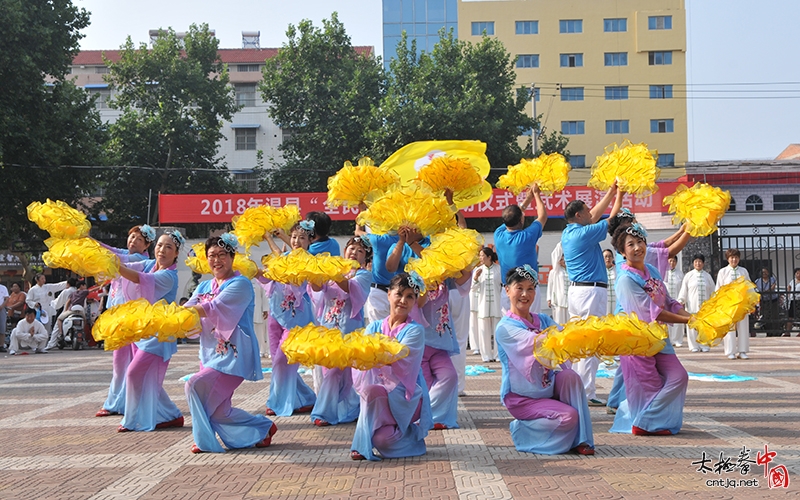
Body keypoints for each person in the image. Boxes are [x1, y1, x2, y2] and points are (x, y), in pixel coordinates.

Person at [184, 234, 276, 453]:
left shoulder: (241, 283)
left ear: (232, 257)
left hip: (233, 356)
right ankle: (263, 427)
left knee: (193, 385)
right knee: (220, 412)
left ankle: (204, 440)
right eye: (211, 256)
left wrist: (175, 313)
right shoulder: (204, 285)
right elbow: (190, 306)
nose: (216, 260)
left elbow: (212, 307)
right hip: (208, 353)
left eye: (222, 255)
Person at [495, 265, 594, 455]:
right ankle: (523, 431)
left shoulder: (542, 320)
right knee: (568, 417)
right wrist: (566, 337)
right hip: (522, 398)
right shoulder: (505, 328)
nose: (525, 294)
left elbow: (565, 336)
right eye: (519, 288)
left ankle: (581, 440)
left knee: (570, 376)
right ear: (507, 290)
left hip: (546, 388)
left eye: (530, 288)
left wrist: (592, 334)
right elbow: (539, 342)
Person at [609, 223, 690, 436]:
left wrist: (692, 316)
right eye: (631, 245)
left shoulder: (651, 270)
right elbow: (653, 313)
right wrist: (688, 322)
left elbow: (667, 301)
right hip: (637, 341)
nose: (637, 248)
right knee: (650, 386)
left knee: (678, 376)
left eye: (640, 242)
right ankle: (644, 424)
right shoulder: (626, 279)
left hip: (659, 338)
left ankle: (646, 421)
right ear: (622, 251)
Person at [350, 272, 433, 461]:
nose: (403, 300)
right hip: (379, 392)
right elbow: (363, 355)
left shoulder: (415, 330)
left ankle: (364, 443)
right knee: (382, 439)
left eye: (410, 296)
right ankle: (406, 437)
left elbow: (398, 355)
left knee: (371, 391)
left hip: (405, 396)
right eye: (399, 294)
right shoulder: (374, 327)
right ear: (388, 294)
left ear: (415, 301)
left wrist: (369, 355)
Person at [116, 231, 185, 433]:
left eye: (168, 247)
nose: (162, 250)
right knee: (149, 378)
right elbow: (127, 264)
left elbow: (138, 278)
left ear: (176, 254)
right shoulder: (150, 264)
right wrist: (97, 252)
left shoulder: (168, 276)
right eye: (160, 245)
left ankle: (132, 420)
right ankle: (172, 415)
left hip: (159, 335)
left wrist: (115, 266)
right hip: (144, 331)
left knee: (133, 373)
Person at [561, 183, 621, 406]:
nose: (592, 213)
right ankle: (586, 392)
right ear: (578, 215)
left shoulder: (570, 232)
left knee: (579, 341)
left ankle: (577, 389)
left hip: (578, 292)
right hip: (590, 292)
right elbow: (611, 220)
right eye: (587, 210)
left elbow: (595, 214)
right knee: (590, 342)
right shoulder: (584, 233)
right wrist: (620, 195)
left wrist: (610, 192)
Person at [309, 236, 372, 427]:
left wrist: (333, 270)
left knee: (339, 371)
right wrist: (313, 272)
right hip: (328, 328)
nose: (354, 252)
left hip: (348, 331)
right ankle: (347, 410)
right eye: (351, 248)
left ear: (365, 258)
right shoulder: (334, 268)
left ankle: (325, 412)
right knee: (334, 372)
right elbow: (316, 287)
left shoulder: (363, 275)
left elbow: (348, 287)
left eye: (360, 251)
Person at [95, 225, 155, 417]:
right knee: (122, 361)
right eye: (131, 237)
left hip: (131, 318)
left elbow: (113, 256)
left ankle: (117, 403)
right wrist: (90, 241)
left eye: (139, 240)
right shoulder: (126, 254)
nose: (133, 241)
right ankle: (124, 402)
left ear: (146, 246)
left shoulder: (139, 259)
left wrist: (89, 247)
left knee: (124, 362)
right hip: (119, 315)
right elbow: (110, 249)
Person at [262, 222, 317, 416]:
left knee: (281, 360)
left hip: (296, 317)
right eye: (294, 237)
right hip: (276, 314)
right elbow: (278, 254)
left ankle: (276, 403)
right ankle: (307, 399)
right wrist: (269, 237)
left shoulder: (310, 261)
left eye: (302, 238)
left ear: (311, 241)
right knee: (280, 362)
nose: (297, 241)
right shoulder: (285, 257)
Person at [494, 183, 547, 314]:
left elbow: (512, 216)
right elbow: (542, 217)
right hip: (528, 289)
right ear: (521, 220)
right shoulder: (527, 236)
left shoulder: (498, 234)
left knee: (511, 327)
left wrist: (528, 199)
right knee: (531, 327)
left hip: (507, 290)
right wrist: (536, 195)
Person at [715, 249, 751, 359]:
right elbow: (718, 288)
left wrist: (752, 300)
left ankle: (742, 351)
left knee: (743, 327)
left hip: (741, 304)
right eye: (731, 257)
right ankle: (730, 351)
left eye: (736, 257)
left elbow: (749, 286)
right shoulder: (723, 272)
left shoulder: (743, 271)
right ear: (728, 259)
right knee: (730, 327)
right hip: (728, 304)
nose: (734, 260)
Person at [678, 255, 715, 352]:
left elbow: (713, 291)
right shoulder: (688, 276)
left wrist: (714, 302)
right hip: (692, 305)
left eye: (700, 262)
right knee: (692, 325)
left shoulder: (707, 276)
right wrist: (681, 300)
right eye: (696, 262)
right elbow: (684, 290)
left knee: (705, 326)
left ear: (703, 263)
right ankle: (693, 346)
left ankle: (704, 344)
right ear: (693, 263)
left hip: (705, 306)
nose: (698, 263)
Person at [471, 247, 503, 362]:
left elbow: (503, 287)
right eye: (479, 255)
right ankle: (486, 356)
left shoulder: (499, 269)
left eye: (482, 255)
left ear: (489, 257)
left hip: (497, 305)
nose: (480, 258)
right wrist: (475, 278)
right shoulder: (478, 270)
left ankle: (497, 355)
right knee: (484, 331)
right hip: (483, 305)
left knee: (497, 331)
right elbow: (473, 289)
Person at [665, 256, 685, 347]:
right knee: (667, 320)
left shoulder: (680, 274)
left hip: (677, 300)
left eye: (674, 261)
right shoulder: (663, 274)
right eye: (670, 261)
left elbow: (683, 288)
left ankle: (677, 340)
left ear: (676, 262)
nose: (672, 263)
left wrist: (682, 300)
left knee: (678, 321)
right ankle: (669, 339)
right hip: (666, 301)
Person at [547, 243, 570, 324]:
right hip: (559, 300)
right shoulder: (555, 271)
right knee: (559, 322)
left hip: (570, 300)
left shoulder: (571, 271)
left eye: (564, 259)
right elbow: (550, 285)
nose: (563, 261)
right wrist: (561, 244)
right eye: (561, 259)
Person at [754, 268, 779, 335]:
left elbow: (773, 287)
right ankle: (768, 331)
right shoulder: (757, 281)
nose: (764, 273)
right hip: (764, 300)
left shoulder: (772, 279)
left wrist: (766, 291)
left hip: (773, 300)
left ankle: (775, 331)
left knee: (774, 315)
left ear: (768, 272)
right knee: (765, 316)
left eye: (765, 272)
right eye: (762, 272)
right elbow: (758, 290)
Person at [251, 279, 269, 356]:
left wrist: (265, 309)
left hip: (257, 310)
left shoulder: (257, 281)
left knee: (259, 332)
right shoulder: (240, 279)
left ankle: (261, 351)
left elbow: (264, 295)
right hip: (246, 311)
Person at [784, 268, 800, 337]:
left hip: (799, 299)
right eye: (797, 273)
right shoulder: (793, 281)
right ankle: (787, 332)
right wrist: (789, 294)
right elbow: (789, 287)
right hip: (793, 300)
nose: (799, 275)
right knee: (790, 316)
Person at [603, 249, 616, 315]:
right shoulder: (600, 272)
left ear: (613, 258)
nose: (608, 258)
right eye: (605, 256)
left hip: (616, 302)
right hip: (605, 302)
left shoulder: (617, 271)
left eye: (610, 256)